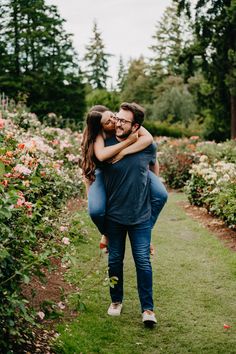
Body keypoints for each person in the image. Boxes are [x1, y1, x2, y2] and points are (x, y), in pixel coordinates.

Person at [102, 102, 159, 326]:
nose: (118, 123)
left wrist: (154, 184)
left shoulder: (147, 147)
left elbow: (154, 167)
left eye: (124, 121)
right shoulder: (106, 144)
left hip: (140, 216)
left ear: (135, 126)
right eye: (117, 118)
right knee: (115, 260)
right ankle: (116, 301)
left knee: (143, 262)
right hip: (114, 215)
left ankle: (148, 309)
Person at [81, 106, 168, 254]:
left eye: (113, 116)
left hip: (140, 171)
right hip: (105, 173)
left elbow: (149, 140)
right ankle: (106, 233)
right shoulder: (99, 136)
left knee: (161, 195)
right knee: (95, 211)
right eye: (109, 122)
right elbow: (100, 157)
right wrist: (89, 195)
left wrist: (124, 153)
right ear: (100, 126)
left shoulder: (126, 123)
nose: (115, 122)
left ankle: (146, 232)